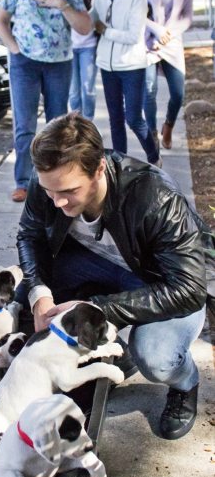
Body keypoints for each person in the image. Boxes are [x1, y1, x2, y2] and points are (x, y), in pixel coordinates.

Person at [17, 113, 208, 440]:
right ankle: (118, 353)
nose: (58, 201)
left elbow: (189, 288)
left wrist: (95, 309)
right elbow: (30, 235)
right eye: (50, 191)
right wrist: (40, 294)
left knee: (157, 356)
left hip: (159, 281)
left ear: (100, 169)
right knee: (25, 300)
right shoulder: (50, 182)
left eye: (70, 191)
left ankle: (185, 383)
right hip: (95, 265)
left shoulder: (156, 197)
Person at [0, 0, 91, 203]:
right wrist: (14, 48)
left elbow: (84, 27)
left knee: (57, 124)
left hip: (59, 63)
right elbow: (1, 21)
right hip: (24, 63)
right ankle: (23, 182)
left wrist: (62, 4)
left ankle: (55, 179)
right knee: (24, 125)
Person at [90, 0, 160, 165]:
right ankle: (120, 164)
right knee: (115, 120)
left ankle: (153, 156)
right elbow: (88, 20)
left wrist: (105, 30)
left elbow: (133, 35)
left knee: (133, 118)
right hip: (107, 66)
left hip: (131, 65)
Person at [136, 0, 193, 150]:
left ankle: (168, 124)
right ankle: (152, 132)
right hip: (148, 41)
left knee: (178, 93)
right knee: (149, 90)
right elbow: (135, 9)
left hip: (172, 42)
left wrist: (168, 34)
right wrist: (156, 31)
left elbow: (187, 17)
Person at [66, 0, 102, 120]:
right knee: (73, 92)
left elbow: (101, 14)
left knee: (88, 88)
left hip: (89, 44)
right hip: (69, 46)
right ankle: (76, 124)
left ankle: (88, 123)